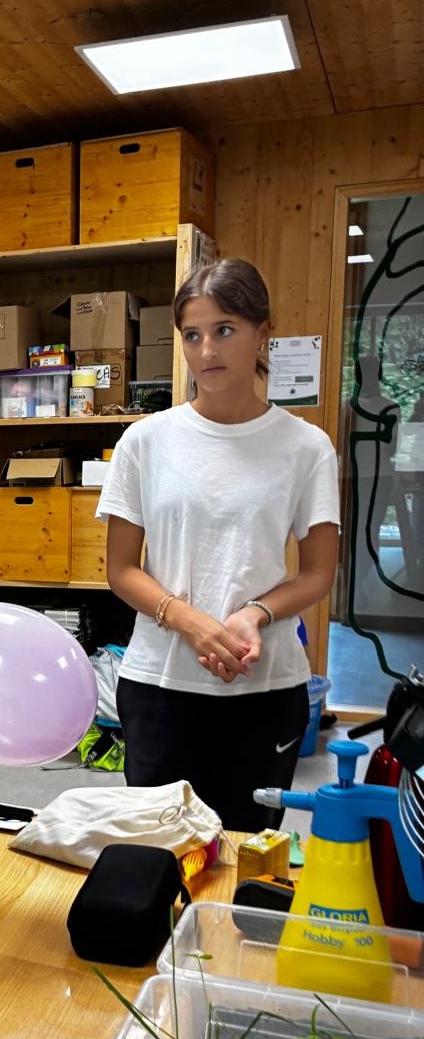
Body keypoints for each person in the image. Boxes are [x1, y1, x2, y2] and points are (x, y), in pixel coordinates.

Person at [98, 258, 340, 832]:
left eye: (225, 329)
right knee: (158, 851)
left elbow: (317, 574)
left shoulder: (307, 447)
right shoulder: (145, 441)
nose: (207, 350)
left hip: (265, 685)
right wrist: (191, 623)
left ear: (263, 332)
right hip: (160, 683)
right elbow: (121, 569)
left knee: (243, 848)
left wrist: (253, 614)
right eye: (192, 335)